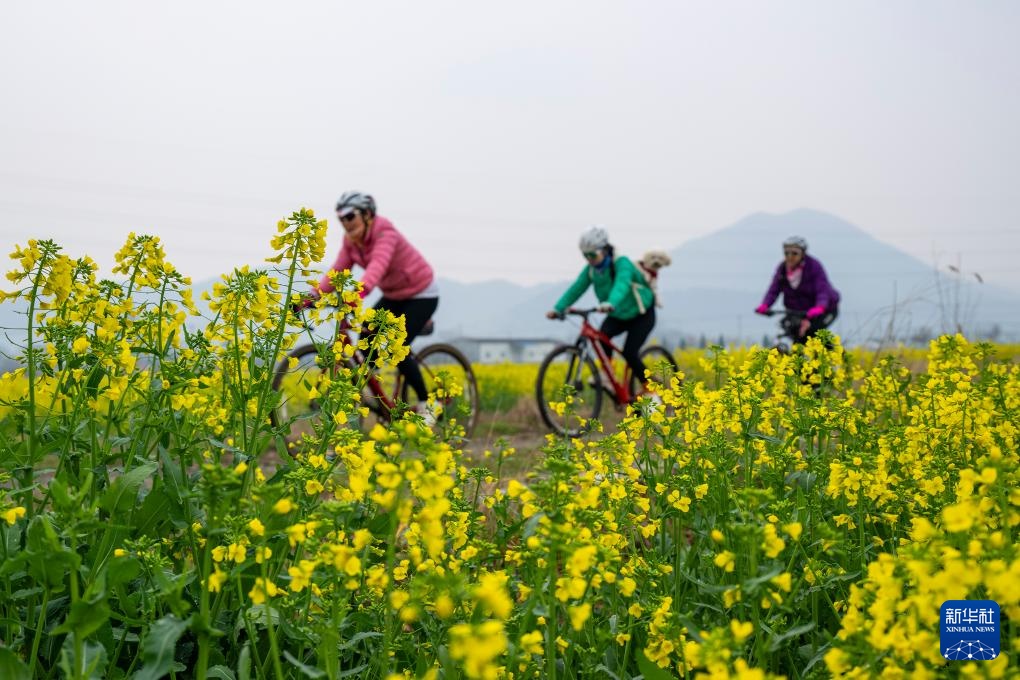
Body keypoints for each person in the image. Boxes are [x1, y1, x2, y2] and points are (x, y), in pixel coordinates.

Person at [311, 191, 439, 413]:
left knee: (395, 344)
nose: (345, 223)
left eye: (350, 216)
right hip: (393, 294)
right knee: (366, 336)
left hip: (421, 293)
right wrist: (313, 296)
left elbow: (377, 266)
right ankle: (377, 400)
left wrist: (357, 293)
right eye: (341, 218)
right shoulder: (352, 241)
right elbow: (337, 270)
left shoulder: (384, 233)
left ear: (367, 214)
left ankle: (427, 403)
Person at [546, 226, 657, 397]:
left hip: (641, 314)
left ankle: (651, 389)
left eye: (592, 255)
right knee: (602, 337)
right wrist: (558, 308)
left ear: (604, 250)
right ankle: (607, 377)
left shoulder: (622, 263)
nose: (589, 259)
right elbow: (576, 289)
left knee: (630, 352)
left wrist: (610, 302)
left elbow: (622, 284)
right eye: (585, 256)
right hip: (617, 314)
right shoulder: (591, 271)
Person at [754, 236, 840, 343]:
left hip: (825, 310)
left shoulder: (814, 266)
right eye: (786, 253)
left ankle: (833, 356)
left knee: (811, 332)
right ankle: (796, 357)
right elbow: (774, 289)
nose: (790, 257)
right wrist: (765, 305)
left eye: (794, 253)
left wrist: (820, 306)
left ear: (803, 254)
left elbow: (822, 289)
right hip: (799, 311)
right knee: (791, 330)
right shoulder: (782, 269)